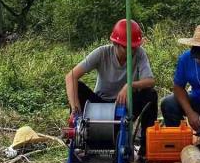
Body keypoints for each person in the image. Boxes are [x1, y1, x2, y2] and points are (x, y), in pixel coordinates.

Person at [65, 19, 157, 155]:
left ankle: (146, 150)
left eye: (134, 47)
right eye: (126, 48)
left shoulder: (140, 53)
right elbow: (71, 76)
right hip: (100, 105)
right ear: (115, 44)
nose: (131, 51)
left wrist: (130, 85)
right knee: (77, 86)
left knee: (150, 95)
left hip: (124, 106)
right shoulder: (102, 53)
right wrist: (76, 111)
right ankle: (80, 138)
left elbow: (150, 81)